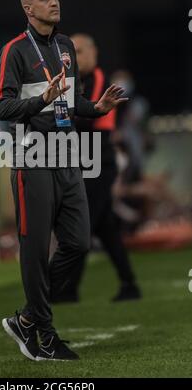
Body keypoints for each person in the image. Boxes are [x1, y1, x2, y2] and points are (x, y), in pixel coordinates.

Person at [0, 0, 127, 361]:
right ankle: (46, 334)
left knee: (78, 242)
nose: (54, 3)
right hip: (31, 156)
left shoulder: (66, 46)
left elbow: (73, 101)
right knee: (35, 249)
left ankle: (28, 319)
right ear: (28, 10)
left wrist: (97, 108)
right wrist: (40, 100)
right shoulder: (14, 51)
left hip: (68, 154)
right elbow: (2, 109)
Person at [50, 34, 141, 303]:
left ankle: (66, 289)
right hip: (86, 161)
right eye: (70, 51)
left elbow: (89, 122)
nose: (74, 56)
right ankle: (129, 284)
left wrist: (61, 118)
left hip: (98, 162)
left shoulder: (99, 82)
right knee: (104, 227)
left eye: (79, 50)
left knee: (82, 226)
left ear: (93, 52)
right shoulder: (75, 82)